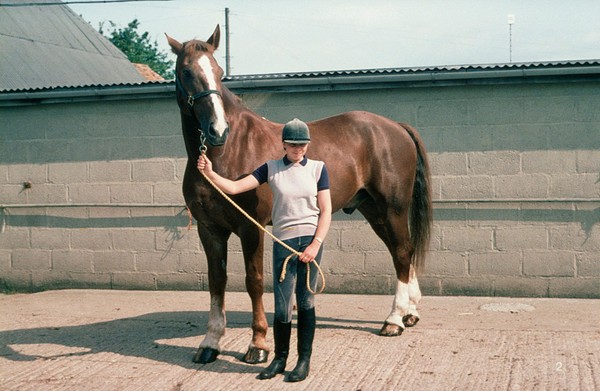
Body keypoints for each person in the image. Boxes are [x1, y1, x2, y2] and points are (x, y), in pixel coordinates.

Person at [197, 118, 332, 382]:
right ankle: (280, 360)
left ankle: (303, 361)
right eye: (293, 145)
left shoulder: (318, 169)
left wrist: (316, 244)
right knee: (282, 307)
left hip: (309, 244)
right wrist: (210, 174)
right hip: (283, 243)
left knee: (305, 303)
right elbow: (235, 187)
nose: (298, 149)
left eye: (303, 145)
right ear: (283, 144)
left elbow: (326, 210)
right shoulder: (271, 168)